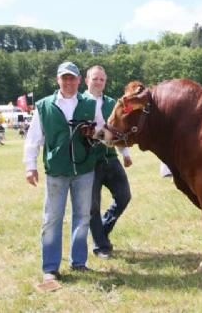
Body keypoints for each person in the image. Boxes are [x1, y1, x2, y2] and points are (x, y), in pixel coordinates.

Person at [23, 61, 97, 284]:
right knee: (52, 218)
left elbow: (101, 129)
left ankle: (79, 261)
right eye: (64, 78)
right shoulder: (44, 106)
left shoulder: (90, 103)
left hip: (84, 168)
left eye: (72, 78)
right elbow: (33, 139)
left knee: (83, 216)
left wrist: (95, 135)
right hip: (56, 170)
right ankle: (50, 267)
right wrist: (30, 166)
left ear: (78, 80)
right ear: (58, 80)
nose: (68, 82)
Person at [84, 65, 132, 259]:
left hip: (110, 158)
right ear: (87, 80)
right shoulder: (80, 102)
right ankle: (101, 246)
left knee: (124, 196)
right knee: (93, 205)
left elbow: (117, 130)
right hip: (89, 161)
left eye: (102, 79)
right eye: (95, 79)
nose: (98, 82)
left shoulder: (113, 103)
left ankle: (101, 231)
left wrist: (125, 153)